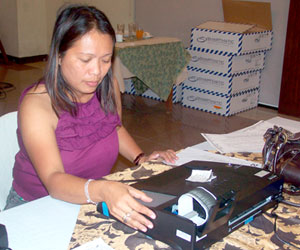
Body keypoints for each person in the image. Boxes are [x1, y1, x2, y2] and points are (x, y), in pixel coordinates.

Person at [5, 4, 178, 233]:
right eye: (85, 60)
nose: (96, 72)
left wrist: (141, 158)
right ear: (58, 55)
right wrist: (104, 190)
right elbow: (54, 180)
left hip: (88, 200)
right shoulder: (38, 105)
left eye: (106, 60)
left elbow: (113, 128)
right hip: (35, 209)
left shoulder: (107, 86)